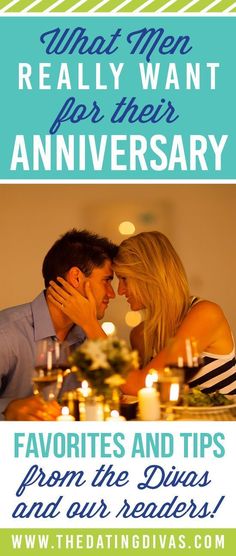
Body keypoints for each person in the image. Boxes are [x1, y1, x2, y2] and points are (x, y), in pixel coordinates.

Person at [49, 231, 236, 396]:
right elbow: (140, 393)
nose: (120, 291)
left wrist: (89, 323)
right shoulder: (139, 335)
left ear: (150, 275)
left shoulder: (205, 314)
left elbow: (137, 386)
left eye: (124, 278)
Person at [0, 229, 117, 420]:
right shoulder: (6, 332)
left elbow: (119, 392)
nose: (112, 294)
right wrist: (8, 409)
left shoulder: (91, 336)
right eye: (106, 281)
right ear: (76, 277)